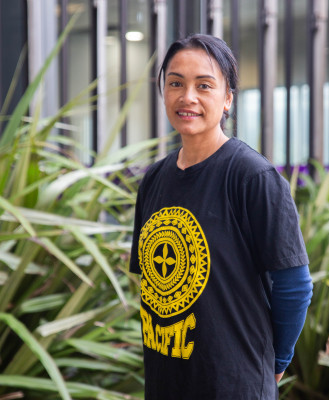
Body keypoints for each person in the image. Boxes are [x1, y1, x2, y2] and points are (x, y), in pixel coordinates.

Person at [130, 33, 313, 400]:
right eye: (176, 83)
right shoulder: (155, 179)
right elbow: (151, 281)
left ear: (228, 98)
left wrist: (276, 361)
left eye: (204, 85)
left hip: (233, 384)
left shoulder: (252, 177)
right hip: (166, 382)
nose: (188, 97)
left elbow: (294, 285)